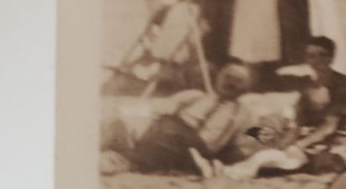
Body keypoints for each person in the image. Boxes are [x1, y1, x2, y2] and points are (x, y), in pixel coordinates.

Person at [218, 36, 346, 178]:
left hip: (342, 137)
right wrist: (284, 144)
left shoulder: (343, 86)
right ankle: (230, 151)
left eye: (322, 55)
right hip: (312, 137)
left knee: (308, 159)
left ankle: (247, 165)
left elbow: (329, 126)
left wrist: (299, 144)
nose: (317, 61)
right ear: (307, 60)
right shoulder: (310, 86)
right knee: (254, 134)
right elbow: (298, 122)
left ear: (331, 58)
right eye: (312, 56)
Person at [108, 61, 257, 175]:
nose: (231, 83)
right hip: (167, 136)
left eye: (238, 81)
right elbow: (156, 111)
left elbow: (252, 143)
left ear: (246, 88)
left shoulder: (244, 114)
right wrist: (125, 113)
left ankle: (132, 162)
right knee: (116, 123)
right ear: (218, 76)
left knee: (171, 130)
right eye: (228, 77)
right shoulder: (194, 96)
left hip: (196, 150)